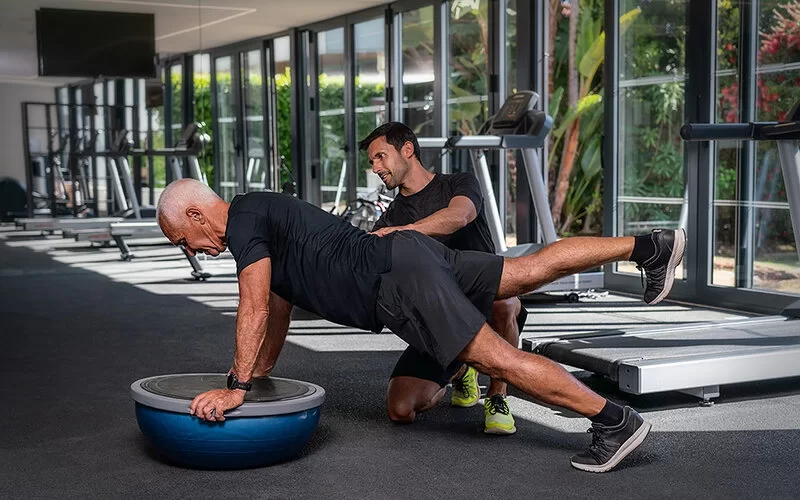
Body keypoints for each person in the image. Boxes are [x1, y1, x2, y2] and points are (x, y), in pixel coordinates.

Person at [156, 177, 685, 473]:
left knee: (495, 357)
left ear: (200, 215)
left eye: (182, 240)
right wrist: (262, 372)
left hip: (398, 284)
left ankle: (613, 419)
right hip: (407, 255)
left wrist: (236, 388)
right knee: (524, 271)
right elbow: (274, 309)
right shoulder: (259, 216)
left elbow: (250, 305)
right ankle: (651, 246)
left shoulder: (245, 223)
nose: (189, 253)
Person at [362, 122, 525, 435]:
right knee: (400, 410)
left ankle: (497, 395)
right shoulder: (391, 216)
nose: (376, 167)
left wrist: (397, 234)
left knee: (506, 301)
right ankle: (462, 367)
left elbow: (458, 217)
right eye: (372, 162)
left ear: (407, 149)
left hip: (484, 303)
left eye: (381, 157)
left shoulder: (459, 183)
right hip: (440, 321)